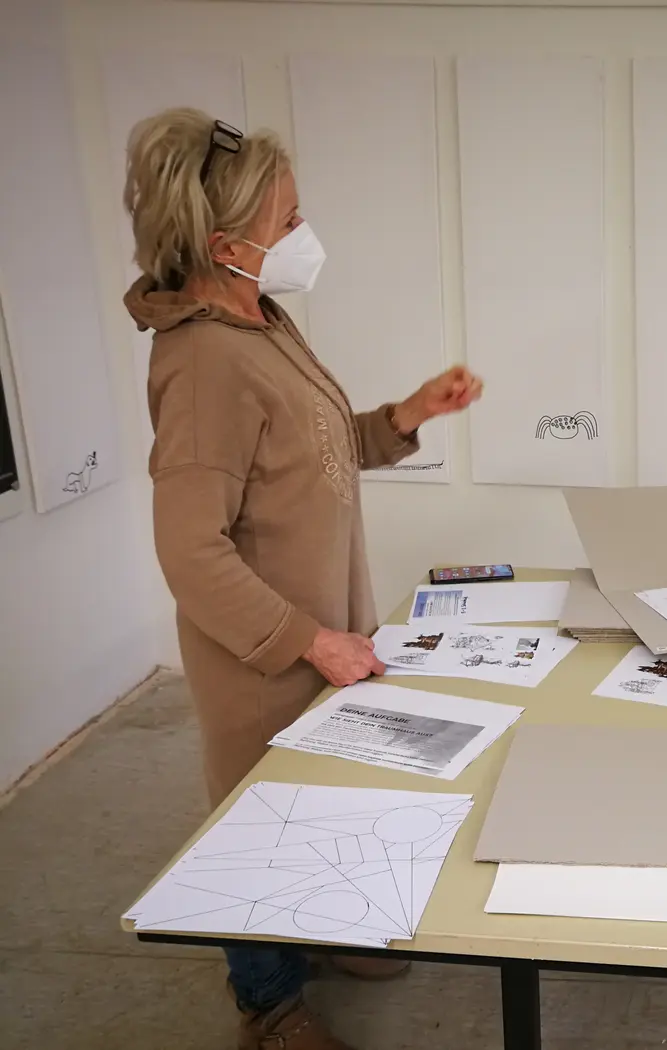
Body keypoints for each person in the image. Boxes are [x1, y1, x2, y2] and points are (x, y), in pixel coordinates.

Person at [123, 108, 481, 1050]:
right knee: (256, 824)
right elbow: (190, 549)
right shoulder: (203, 362)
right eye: (286, 222)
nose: (302, 234)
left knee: (321, 798)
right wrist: (308, 641)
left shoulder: (262, 321)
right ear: (225, 245)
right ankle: (269, 1003)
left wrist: (409, 413)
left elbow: (315, 451)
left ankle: (323, 930)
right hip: (264, 658)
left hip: (325, 635)